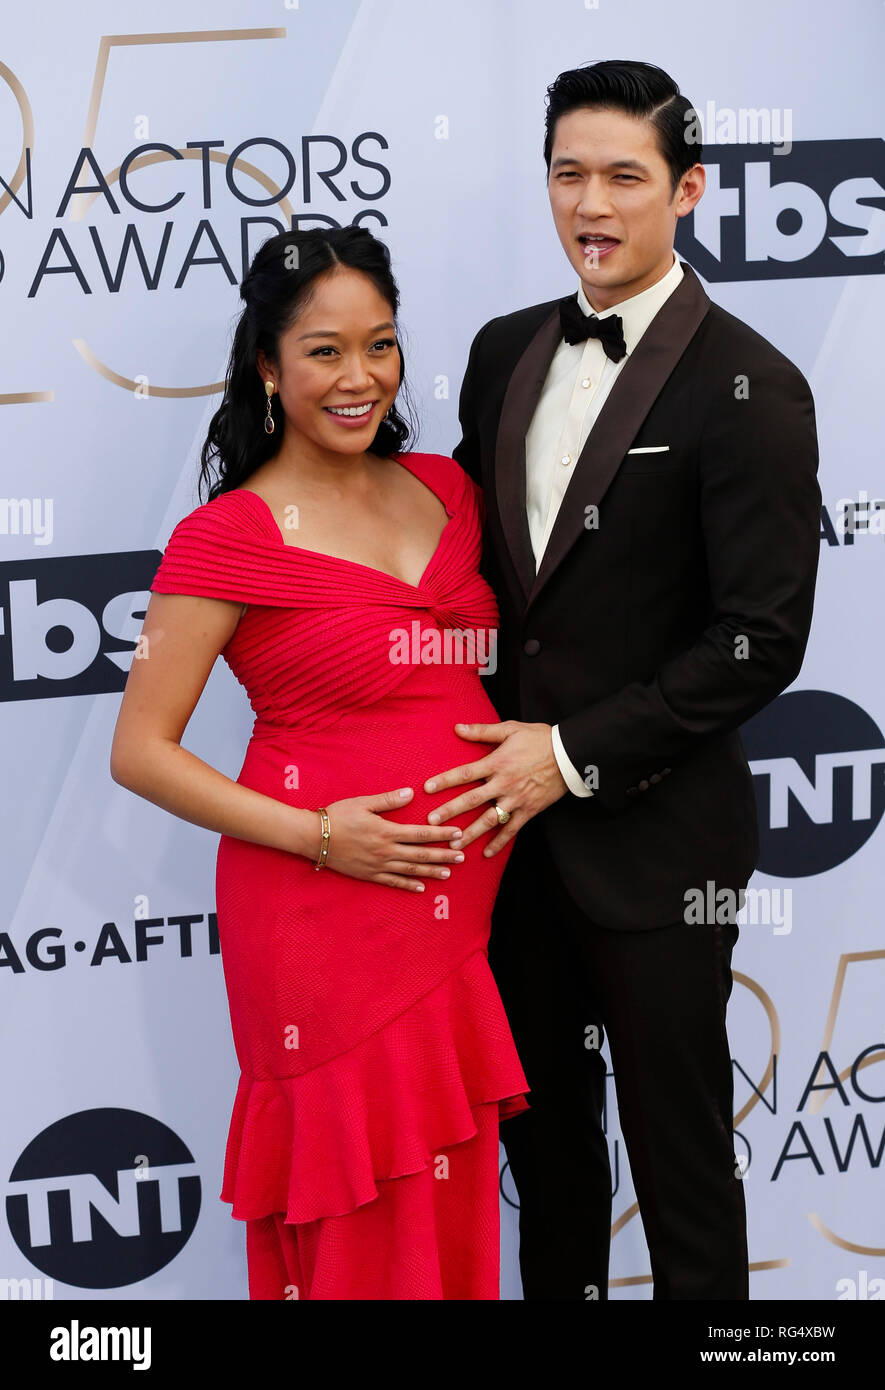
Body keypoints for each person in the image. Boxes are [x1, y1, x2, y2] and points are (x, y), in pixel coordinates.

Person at [420, 60, 821, 1299]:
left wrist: (573, 752)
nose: (592, 203)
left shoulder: (750, 386)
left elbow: (760, 639)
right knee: (546, 1169)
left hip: (655, 853)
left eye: (625, 178)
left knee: (684, 1175)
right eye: (568, 173)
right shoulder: (502, 353)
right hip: (508, 843)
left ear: (688, 190)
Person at [109, 226, 529, 1300]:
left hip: (458, 924)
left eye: (380, 346)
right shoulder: (226, 538)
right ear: (267, 365)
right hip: (319, 912)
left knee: (442, 1197)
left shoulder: (448, 489)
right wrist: (324, 836)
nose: (360, 379)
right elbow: (141, 753)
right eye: (325, 352)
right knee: (350, 1205)